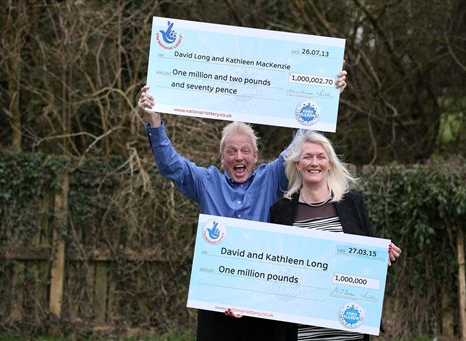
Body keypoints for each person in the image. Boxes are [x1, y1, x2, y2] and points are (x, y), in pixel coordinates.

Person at [137, 71, 347, 341]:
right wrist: (155, 120)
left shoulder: (271, 178)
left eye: (245, 151)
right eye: (232, 151)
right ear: (222, 156)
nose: (239, 157)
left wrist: (328, 94)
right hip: (216, 297)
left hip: (262, 298)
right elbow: (171, 165)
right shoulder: (206, 181)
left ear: (256, 155)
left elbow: (300, 141)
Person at [269, 130, 401, 341]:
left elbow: (368, 259)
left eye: (321, 157)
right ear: (297, 164)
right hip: (303, 330)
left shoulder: (352, 203)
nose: (315, 162)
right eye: (307, 157)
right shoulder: (280, 211)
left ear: (330, 164)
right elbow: (272, 267)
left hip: (348, 325)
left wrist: (382, 256)